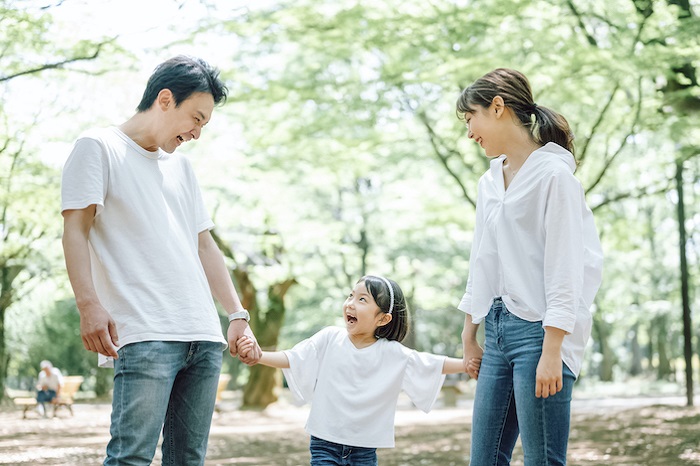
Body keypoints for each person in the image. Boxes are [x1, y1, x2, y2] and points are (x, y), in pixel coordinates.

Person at [61, 55, 262, 465]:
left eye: (205, 124)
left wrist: (236, 313)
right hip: (145, 332)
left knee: (188, 460)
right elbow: (75, 231)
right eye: (196, 118)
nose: (197, 133)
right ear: (166, 99)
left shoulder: (182, 169)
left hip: (203, 337)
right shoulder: (97, 147)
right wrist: (88, 304)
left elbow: (206, 247)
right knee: (131, 458)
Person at [455, 68, 604, 466]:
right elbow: (482, 258)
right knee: (484, 461)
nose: (470, 133)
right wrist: (470, 331)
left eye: (471, 119)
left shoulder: (555, 177)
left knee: (542, 461)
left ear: (498, 107)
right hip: (498, 329)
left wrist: (553, 348)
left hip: (541, 333)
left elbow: (566, 267)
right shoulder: (490, 182)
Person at [238, 275, 479, 466]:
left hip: (364, 450)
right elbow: (293, 358)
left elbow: (431, 363)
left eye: (362, 300)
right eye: (351, 296)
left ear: (383, 319)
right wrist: (259, 356)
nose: (351, 304)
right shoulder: (330, 338)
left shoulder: (392, 353)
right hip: (324, 443)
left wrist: (467, 364)